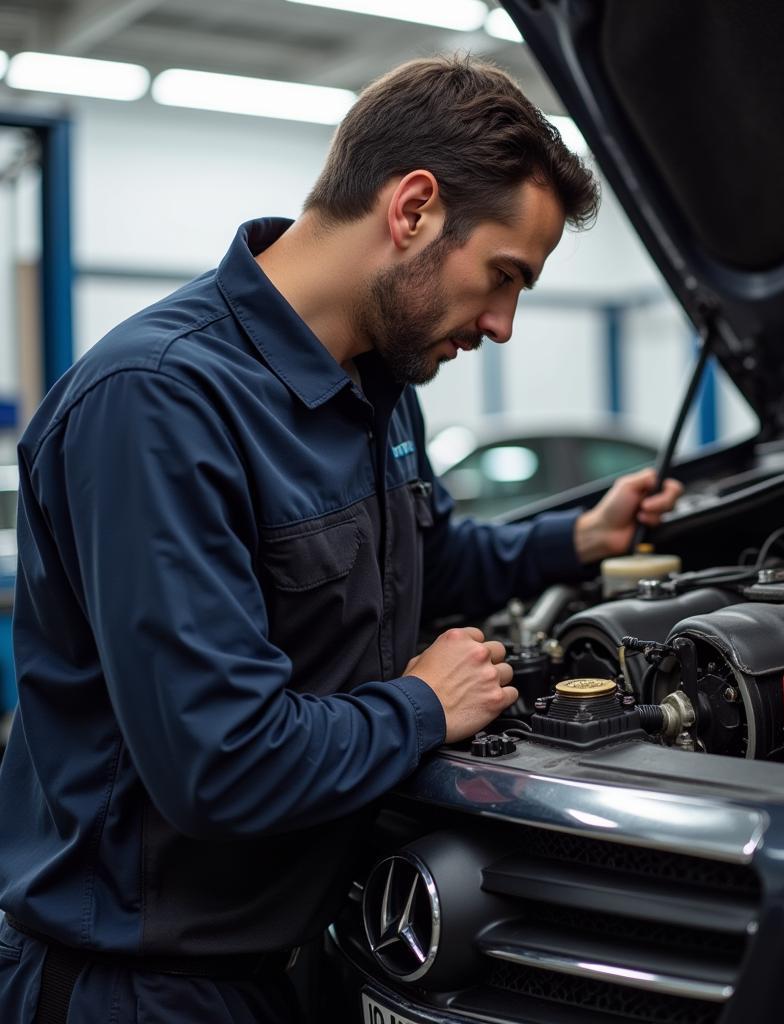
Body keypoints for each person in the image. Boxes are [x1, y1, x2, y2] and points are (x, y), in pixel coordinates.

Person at [0, 55, 683, 1023]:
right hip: (143, 987)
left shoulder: (378, 390)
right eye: (502, 277)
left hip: (307, 956)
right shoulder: (159, 402)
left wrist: (576, 537)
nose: (501, 325)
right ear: (411, 210)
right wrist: (418, 704)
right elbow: (221, 759)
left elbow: (430, 563)